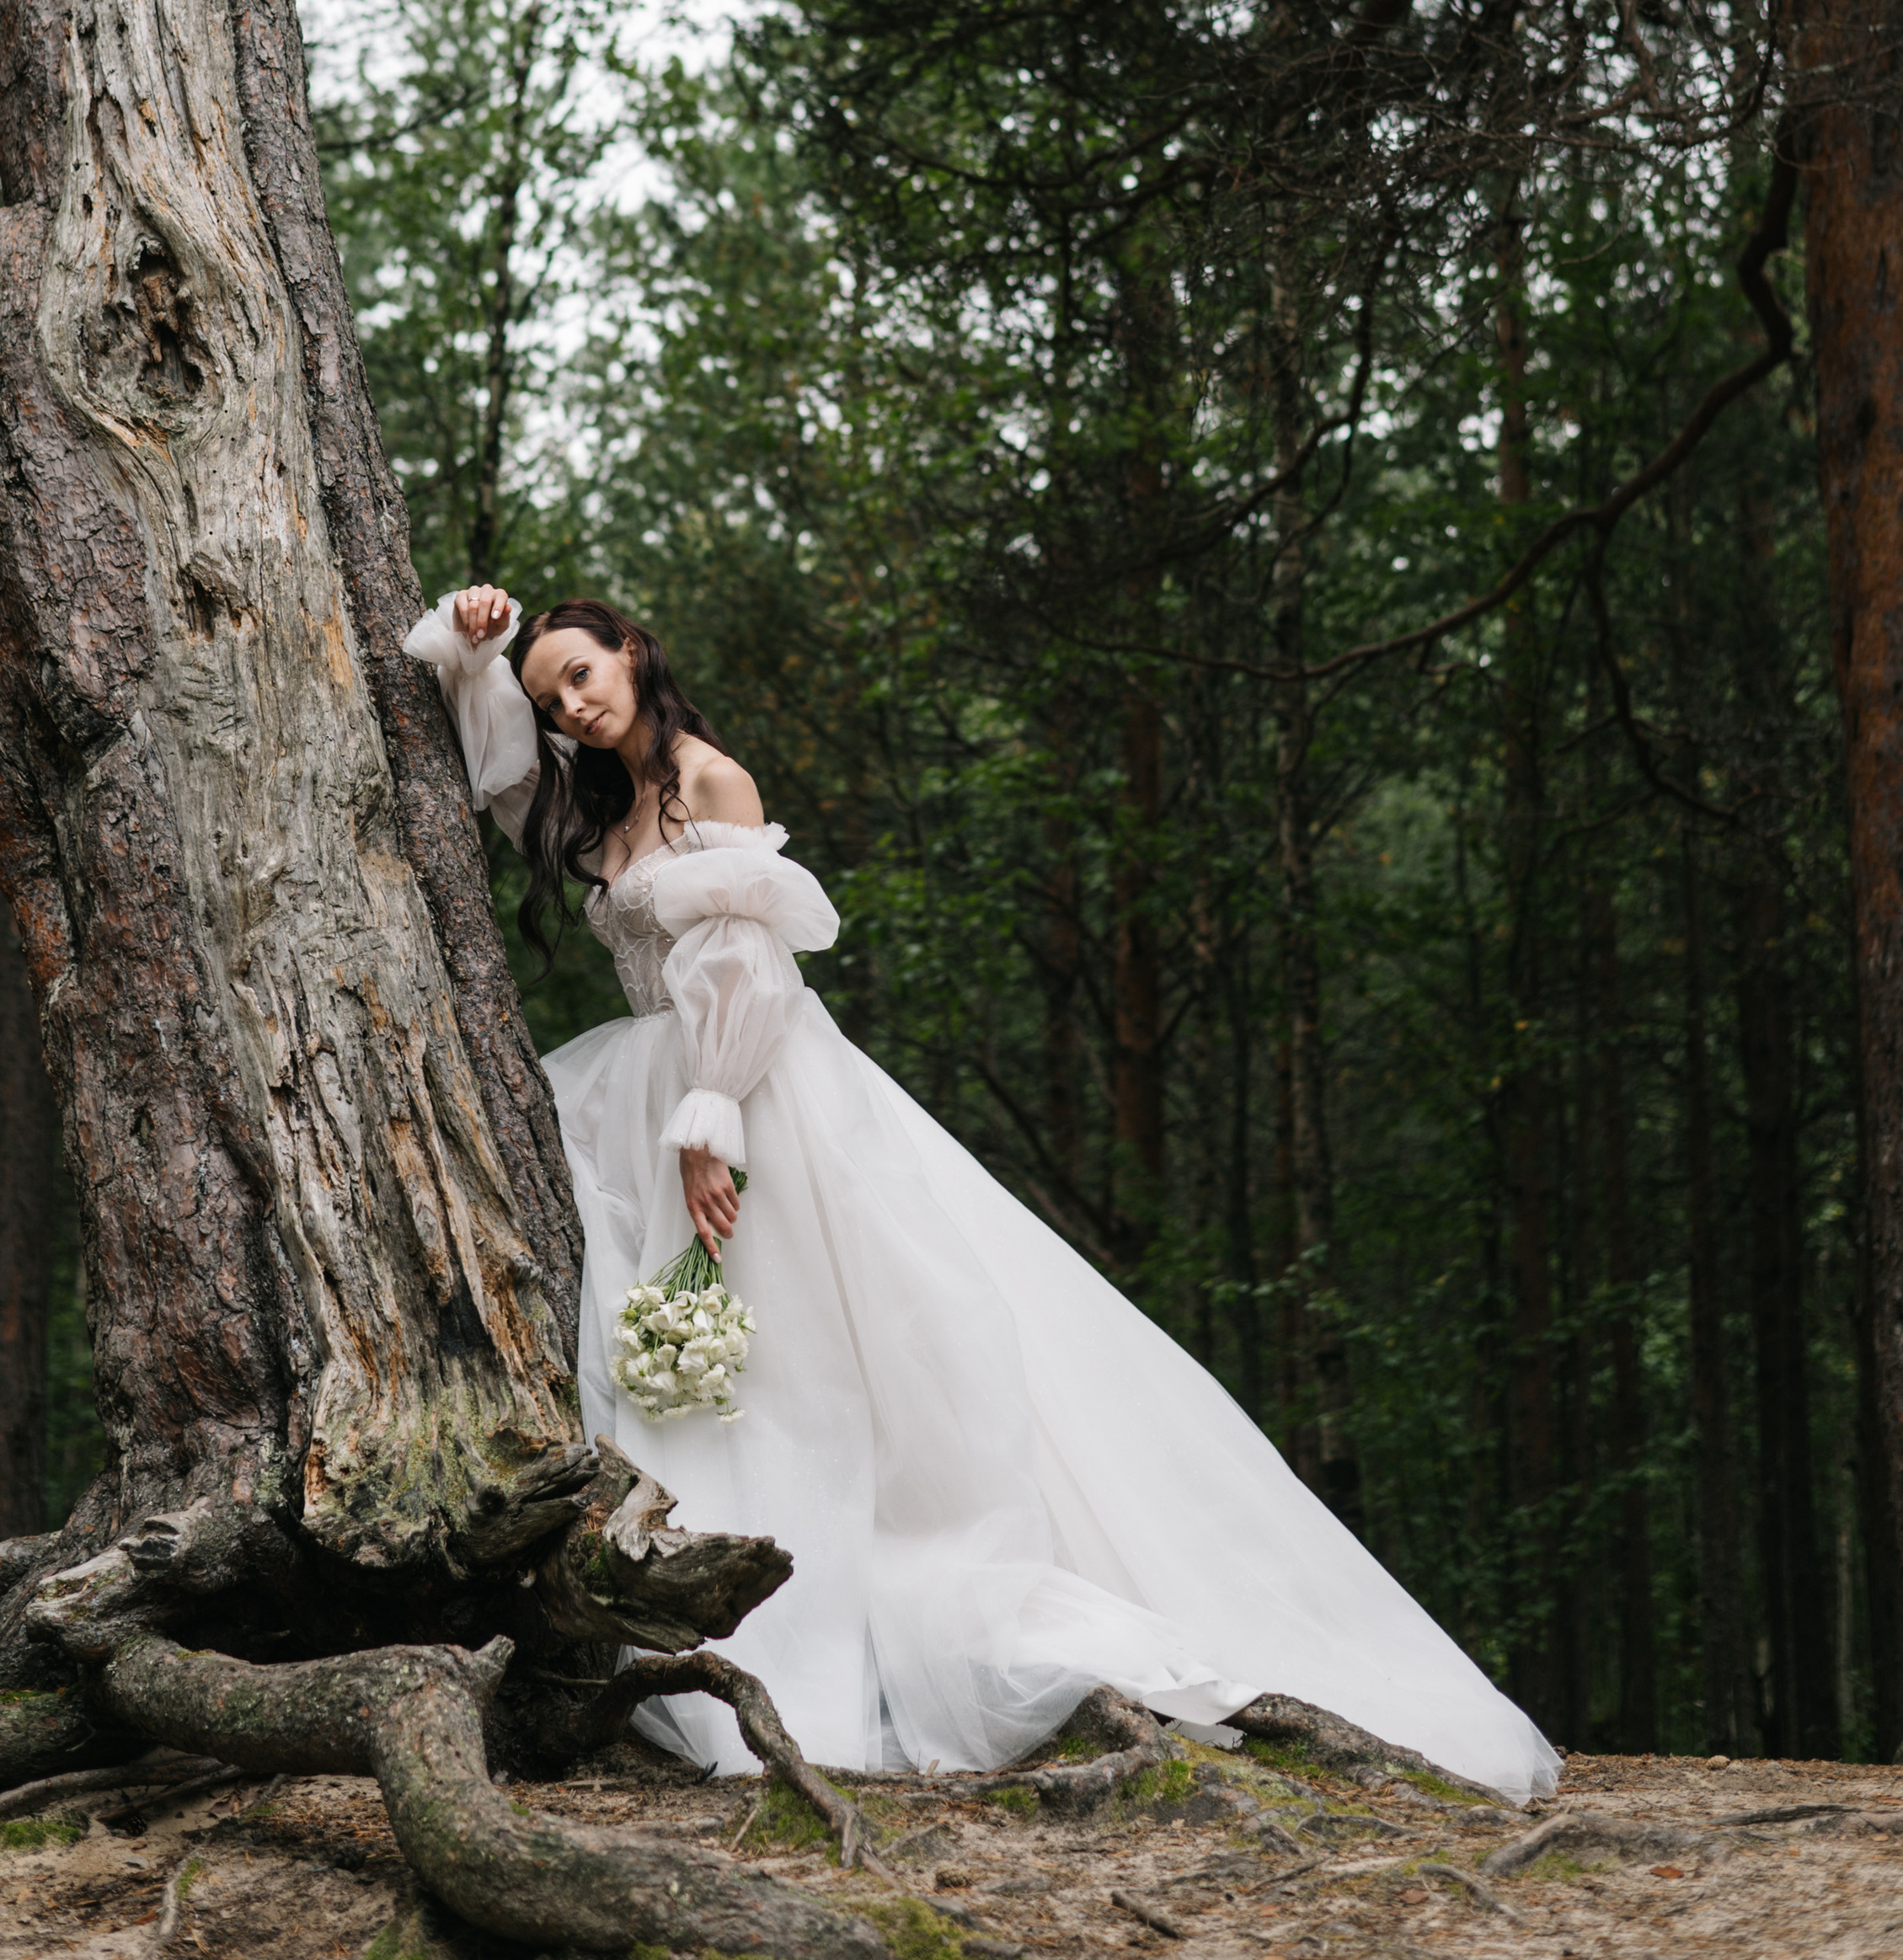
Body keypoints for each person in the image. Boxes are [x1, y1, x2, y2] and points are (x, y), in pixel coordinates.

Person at [405, 580, 1557, 1802]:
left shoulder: (711, 782)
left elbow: (750, 959)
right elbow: (511, 794)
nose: (573, 709)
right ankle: (737, 1612)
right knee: (730, 1363)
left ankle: (873, 1629)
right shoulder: (601, 801)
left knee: (829, 1356)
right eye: (551, 699)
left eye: (582, 676)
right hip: (651, 1087)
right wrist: (476, 660)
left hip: (751, 1088)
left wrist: (713, 1113)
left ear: (632, 652)